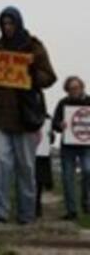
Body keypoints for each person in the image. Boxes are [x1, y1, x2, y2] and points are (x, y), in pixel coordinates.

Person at [0, 7, 56, 225]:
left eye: (11, 24)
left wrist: (32, 72)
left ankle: (26, 212)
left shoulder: (33, 46)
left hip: (25, 117)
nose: (7, 28)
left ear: (18, 23)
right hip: (2, 116)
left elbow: (50, 77)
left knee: (26, 166)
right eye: (4, 24)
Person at [52, 76, 90, 221]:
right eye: (70, 89)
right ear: (67, 90)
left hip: (86, 145)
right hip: (68, 146)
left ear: (82, 87)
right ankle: (71, 210)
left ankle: (86, 202)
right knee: (67, 178)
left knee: (88, 171)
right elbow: (55, 122)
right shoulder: (63, 103)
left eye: (76, 87)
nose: (73, 91)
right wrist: (59, 125)